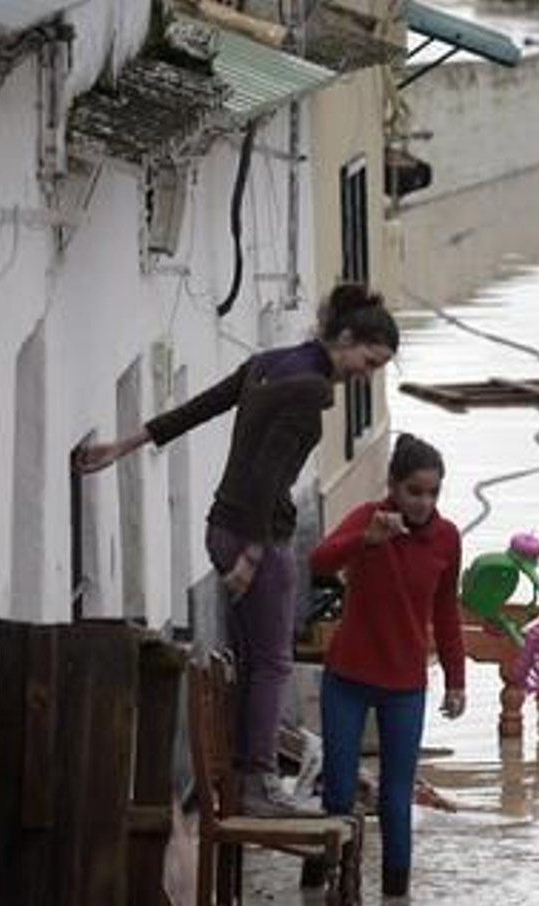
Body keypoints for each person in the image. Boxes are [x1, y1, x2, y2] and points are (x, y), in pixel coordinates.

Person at [74, 283, 399, 817]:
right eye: (369, 360)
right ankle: (259, 783)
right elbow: (268, 473)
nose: (367, 373)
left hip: (220, 528)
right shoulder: (311, 388)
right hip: (256, 535)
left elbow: (196, 410)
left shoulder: (269, 363)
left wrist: (122, 446)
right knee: (271, 663)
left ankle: (247, 778)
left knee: (252, 661)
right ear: (344, 338)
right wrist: (252, 552)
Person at [310, 434, 467, 898]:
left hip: (405, 686)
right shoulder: (369, 520)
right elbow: (318, 561)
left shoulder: (446, 538)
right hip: (348, 678)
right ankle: (323, 882)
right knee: (338, 789)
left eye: (433, 492)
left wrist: (456, 682)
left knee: (396, 798)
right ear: (393, 486)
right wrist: (366, 540)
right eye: (414, 491)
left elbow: (446, 613)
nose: (423, 502)